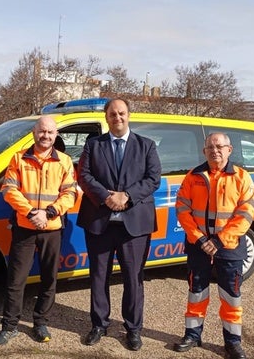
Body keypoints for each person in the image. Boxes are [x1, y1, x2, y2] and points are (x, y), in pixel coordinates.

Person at [76, 98, 161, 351]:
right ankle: (99, 324)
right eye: (112, 114)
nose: (117, 118)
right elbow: (83, 175)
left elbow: (153, 178)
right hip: (99, 222)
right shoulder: (93, 145)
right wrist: (106, 197)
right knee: (98, 276)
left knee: (133, 279)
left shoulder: (146, 145)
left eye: (121, 113)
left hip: (134, 225)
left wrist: (127, 196)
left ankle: (133, 329)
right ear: (107, 117)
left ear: (128, 115)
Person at [0, 115, 77, 347]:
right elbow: (8, 190)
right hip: (24, 227)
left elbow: (70, 194)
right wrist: (31, 213)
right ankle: (9, 327)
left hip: (52, 228)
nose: (46, 135)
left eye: (50, 132)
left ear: (56, 135)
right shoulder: (18, 158)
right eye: (42, 131)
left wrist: (48, 213)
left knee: (49, 278)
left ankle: (40, 323)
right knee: (15, 280)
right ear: (33, 133)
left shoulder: (65, 162)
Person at [173, 133, 254, 359]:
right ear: (204, 151)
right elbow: (182, 209)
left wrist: (219, 241)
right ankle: (192, 334)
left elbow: (245, 214)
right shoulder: (193, 176)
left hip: (229, 247)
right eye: (210, 147)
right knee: (196, 292)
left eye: (220, 146)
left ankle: (232, 342)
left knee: (230, 295)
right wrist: (200, 239)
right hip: (198, 246)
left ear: (229, 150)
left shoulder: (241, 177)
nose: (215, 150)